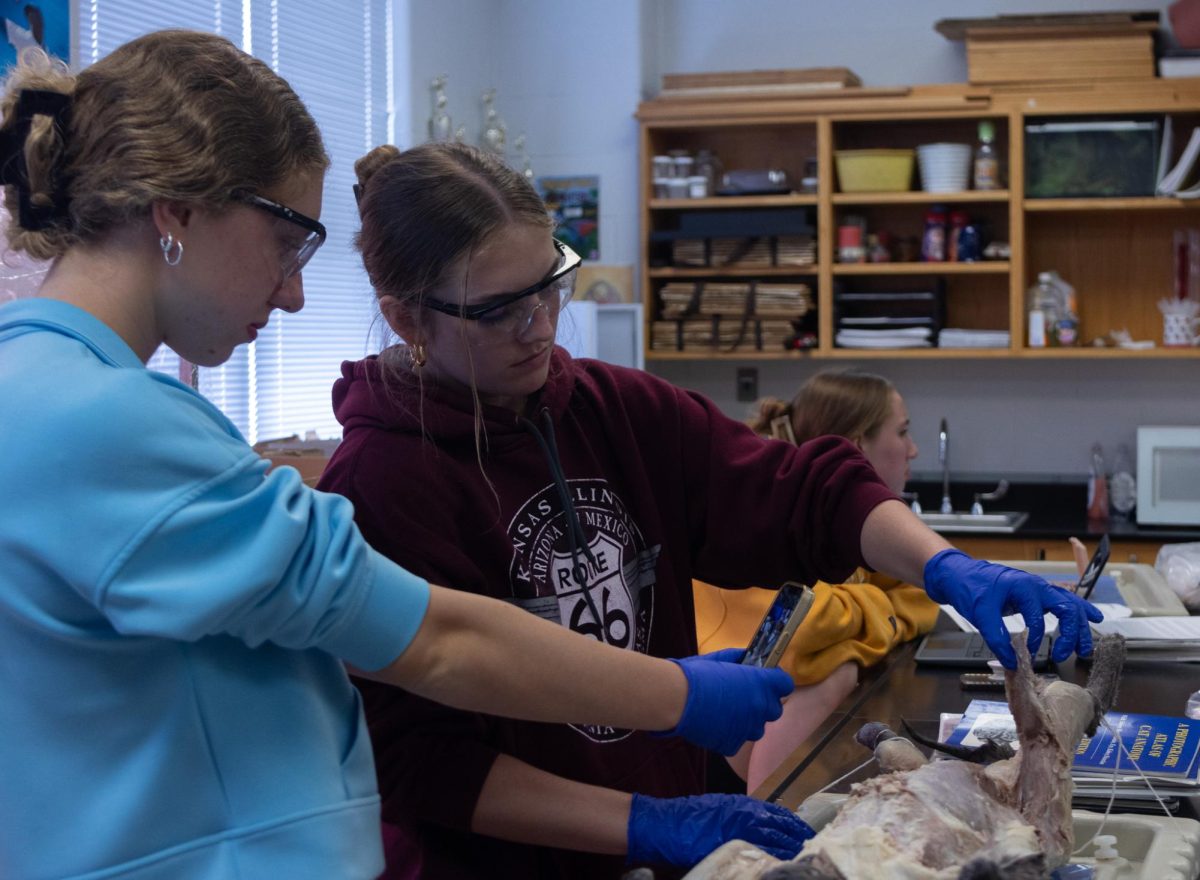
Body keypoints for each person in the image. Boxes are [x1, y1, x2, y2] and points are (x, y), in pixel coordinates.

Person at [0, 32, 810, 880]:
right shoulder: (104, 424)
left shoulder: (41, 386)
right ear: (178, 211)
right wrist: (677, 699)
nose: (294, 290)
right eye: (287, 240)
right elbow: (435, 639)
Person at [316, 140, 1103, 878]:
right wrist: (642, 820)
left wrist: (943, 564)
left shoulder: (612, 408)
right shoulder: (380, 481)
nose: (542, 328)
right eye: (499, 311)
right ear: (406, 318)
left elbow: (800, 492)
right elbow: (417, 760)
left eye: (551, 286)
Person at [694, 370, 940, 792]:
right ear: (857, 446)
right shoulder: (761, 516)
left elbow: (918, 592)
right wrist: (879, 613)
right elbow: (809, 632)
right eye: (902, 432)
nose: (913, 449)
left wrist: (866, 610)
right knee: (837, 671)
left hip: (733, 735)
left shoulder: (836, 530)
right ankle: (761, 826)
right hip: (703, 751)